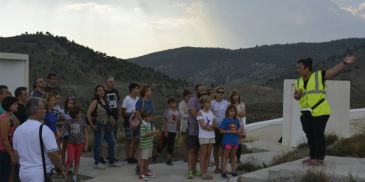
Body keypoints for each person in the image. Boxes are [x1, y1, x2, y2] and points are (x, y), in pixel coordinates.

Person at [294, 56, 356, 166]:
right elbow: (296, 96)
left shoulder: (319, 75)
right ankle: (312, 156)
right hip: (306, 113)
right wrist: (297, 95)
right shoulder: (298, 81)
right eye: (297, 67)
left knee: (318, 134)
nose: (297, 69)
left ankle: (319, 158)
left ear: (307, 68)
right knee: (310, 135)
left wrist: (344, 63)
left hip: (320, 111)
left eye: (300, 67)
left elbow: (333, 71)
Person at [13, 97, 64, 182]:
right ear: (36, 110)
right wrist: (61, 169)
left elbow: (16, 154)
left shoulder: (18, 130)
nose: (45, 110)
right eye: (43, 108)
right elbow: (53, 154)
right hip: (40, 174)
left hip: (23, 173)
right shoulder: (44, 129)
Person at [86, 85, 118, 169]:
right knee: (98, 144)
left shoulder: (105, 100)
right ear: (96, 92)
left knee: (112, 142)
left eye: (102, 90)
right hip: (99, 125)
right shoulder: (95, 101)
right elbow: (88, 113)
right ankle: (97, 163)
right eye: (99, 90)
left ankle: (111, 161)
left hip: (108, 125)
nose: (101, 91)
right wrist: (92, 124)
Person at [63, 105, 88, 182]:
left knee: (77, 160)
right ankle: (65, 175)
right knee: (70, 159)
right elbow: (63, 130)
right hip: (71, 143)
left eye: (81, 113)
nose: (80, 114)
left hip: (80, 143)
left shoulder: (82, 121)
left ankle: (75, 176)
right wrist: (57, 136)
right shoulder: (69, 121)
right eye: (79, 113)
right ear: (74, 113)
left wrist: (86, 144)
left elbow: (86, 133)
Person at [186, 84, 206, 179]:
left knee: (197, 150)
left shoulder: (204, 101)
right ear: (196, 91)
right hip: (193, 129)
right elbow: (195, 114)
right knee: (191, 150)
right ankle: (190, 170)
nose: (203, 92)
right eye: (201, 90)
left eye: (204, 90)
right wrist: (204, 121)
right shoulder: (192, 101)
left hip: (202, 130)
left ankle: (194, 169)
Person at [135, 85, 154, 174]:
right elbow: (137, 112)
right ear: (144, 92)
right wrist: (143, 121)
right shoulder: (140, 101)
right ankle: (139, 167)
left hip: (149, 125)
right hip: (143, 125)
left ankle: (144, 167)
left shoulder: (149, 101)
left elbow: (150, 113)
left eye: (150, 90)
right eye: (148, 91)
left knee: (147, 146)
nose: (150, 92)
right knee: (143, 147)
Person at [0, 96, 20, 182]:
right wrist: (11, 154)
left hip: (11, 150)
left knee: (11, 176)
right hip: (5, 151)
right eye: (15, 104)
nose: (17, 106)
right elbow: (4, 139)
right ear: (9, 105)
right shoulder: (5, 119)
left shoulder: (12, 116)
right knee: (6, 176)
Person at [211, 86, 229, 173]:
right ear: (215, 93)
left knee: (224, 148)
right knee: (216, 147)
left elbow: (230, 114)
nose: (221, 94)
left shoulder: (226, 103)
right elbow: (210, 115)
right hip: (215, 129)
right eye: (219, 92)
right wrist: (214, 124)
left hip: (225, 129)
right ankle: (217, 167)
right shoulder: (212, 103)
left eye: (222, 92)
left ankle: (223, 167)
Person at [219, 105, 241, 178]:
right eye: (231, 111)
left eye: (234, 111)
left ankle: (233, 171)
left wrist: (238, 131)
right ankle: (224, 171)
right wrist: (230, 131)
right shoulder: (225, 120)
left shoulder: (236, 120)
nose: (232, 112)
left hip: (235, 141)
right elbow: (221, 130)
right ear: (228, 111)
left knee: (233, 157)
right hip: (227, 141)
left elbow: (239, 129)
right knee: (225, 157)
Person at [197, 95, 215, 180]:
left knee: (208, 154)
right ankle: (202, 173)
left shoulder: (211, 112)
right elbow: (202, 125)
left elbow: (214, 123)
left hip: (211, 135)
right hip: (203, 136)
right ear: (203, 103)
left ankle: (206, 172)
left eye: (210, 102)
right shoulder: (200, 112)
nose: (209, 104)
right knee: (203, 154)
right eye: (207, 102)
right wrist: (210, 128)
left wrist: (212, 126)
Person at [122, 83, 140, 164]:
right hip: (129, 121)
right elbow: (122, 110)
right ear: (132, 89)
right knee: (129, 140)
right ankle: (127, 157)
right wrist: (127, 118)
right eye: (137, 88)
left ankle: (133, 157)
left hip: (137, 121)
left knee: (136, 139)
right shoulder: (127, 98)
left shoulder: (138, 99)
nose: (138, 90)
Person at [138, 112, 160, 181]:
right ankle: (141, 174)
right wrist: (153, 132)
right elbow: (143, 135)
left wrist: (156, 132)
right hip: (145, 145)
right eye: (149, 117)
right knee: (143, 160)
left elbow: (152, 133)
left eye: (151, 117)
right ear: (145, 117)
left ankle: (146, 172)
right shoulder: (143, 125)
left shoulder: (150, 124)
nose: (151, 118)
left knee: (147, 159)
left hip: (150, 144)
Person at [160, 98, 180, 165]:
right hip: (167, 130)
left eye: (174, 103)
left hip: (173, 131)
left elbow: (177, 122)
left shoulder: (177, 112)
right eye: (172, 103)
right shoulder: (167, 111)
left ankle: (169, 159)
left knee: (171, 145)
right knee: (162, 144)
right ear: (169, 104)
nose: (173, 104)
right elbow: (165, 121)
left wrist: (177, 130)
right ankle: (155, 155)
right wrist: (165, 131)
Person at [229, 90, 247, 163]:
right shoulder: (229, 105)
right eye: (234, 95)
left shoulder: (242, 104)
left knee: (239, 143)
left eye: (237, 95)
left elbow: (243, 114)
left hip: (240, 124)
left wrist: (236, 114)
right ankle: (231, 158)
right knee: (231, 141)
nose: (235, 97)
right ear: (232, 97)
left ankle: (238, 158)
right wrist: (238, 114)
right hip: (231, 124)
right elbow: (229, 114)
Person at [104, 76, 121, 146]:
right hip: (106, 118)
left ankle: (112, 155)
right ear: (106, 83)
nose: (112, 83)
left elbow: (118, 103)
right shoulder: (103, 92)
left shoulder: (115, 91)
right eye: (110, 82)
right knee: (105, 136)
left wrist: (119, 114)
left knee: (114, 135)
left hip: (115, 116)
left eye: (113, 81)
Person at [60, 96, 75, 166]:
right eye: (70, 103)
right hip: (65, 132)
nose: (71, 105)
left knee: (71, 149)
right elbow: (62, 121)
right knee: (64, 148)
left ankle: (70, 163)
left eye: (72, 103)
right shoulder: (63, 112)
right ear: (66, 104)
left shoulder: (75, 112)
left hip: (72, 132)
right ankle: (62, 162)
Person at [178, 89, 192, 162]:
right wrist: (191, 115)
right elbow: (182, 115)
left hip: (191, 126)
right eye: (188, 96)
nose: (189, 98)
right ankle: (185, 156)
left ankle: (190, 156)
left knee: (190, 142)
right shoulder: (181, 104)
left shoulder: (191, 103)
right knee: (184, 141)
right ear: (184, 97)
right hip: (184, 126)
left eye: (190, 96)